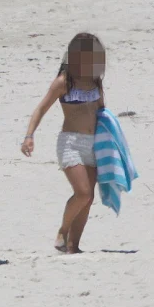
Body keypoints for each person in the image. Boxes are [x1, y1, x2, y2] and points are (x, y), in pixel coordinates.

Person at [21, 33, 106, 254]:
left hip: (93, 144)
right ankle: (63, 230)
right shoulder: (63, 81)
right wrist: (29, 136)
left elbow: (102, 111)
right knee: (83, 193)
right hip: (71, 143)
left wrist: (111, 142)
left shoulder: (96, 80)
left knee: (88, 199)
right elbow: (41, 108)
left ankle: (73, 246)